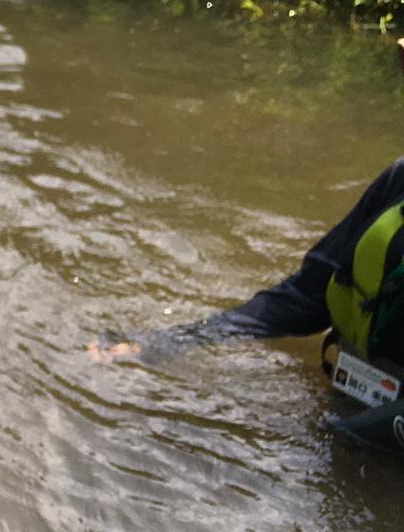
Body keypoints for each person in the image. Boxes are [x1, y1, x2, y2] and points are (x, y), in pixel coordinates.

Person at [92, 152, 404, 448]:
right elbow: (306, 296)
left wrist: (346, 435)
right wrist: (163, 342)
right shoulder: (399, 181)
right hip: (351, 400)